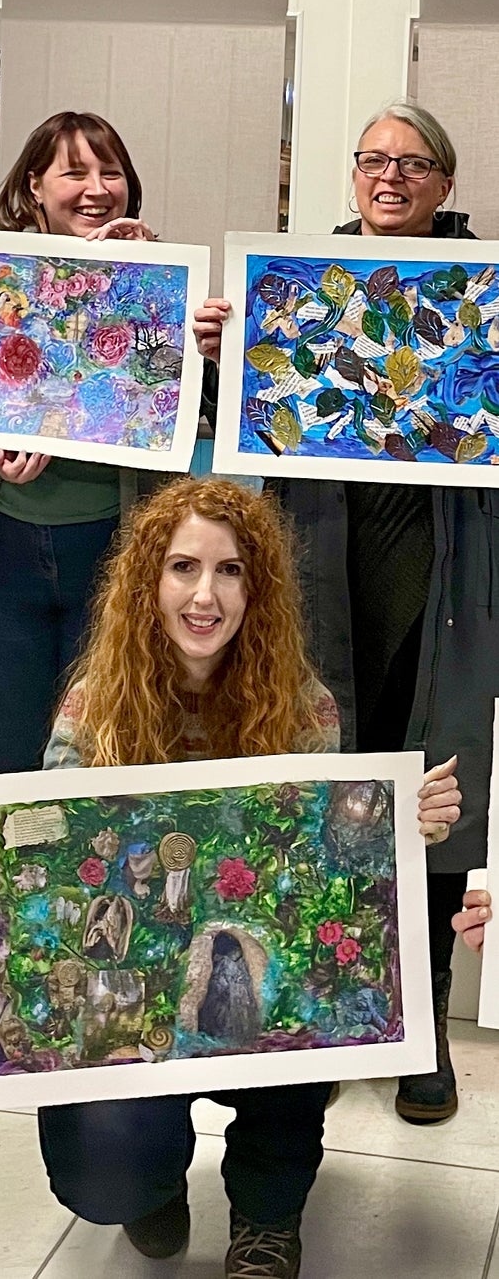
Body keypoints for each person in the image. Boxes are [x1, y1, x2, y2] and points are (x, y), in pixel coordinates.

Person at [0, 477, 460, 1279]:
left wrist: (398, 829)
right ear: (148, 581)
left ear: (257, 588)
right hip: (135, 985)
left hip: (251, 974)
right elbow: (54, 854)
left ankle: (266, 1214)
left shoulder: (303, 707)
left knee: (304, 1005)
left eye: (229, 570)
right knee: (102, 1172)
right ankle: (149, 1181)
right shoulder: (94, 703)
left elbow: (326, 873)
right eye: (182, 568)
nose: (204, 594)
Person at [193, 100, 489, 1125]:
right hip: (321, 573)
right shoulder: (299, 285)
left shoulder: (481, 288)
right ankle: (328, 1010)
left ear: (444, 183)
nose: (389, 176)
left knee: (433, 799)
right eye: (372, 160)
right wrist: (224, 355)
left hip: (439, 581)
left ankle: (422, 1026)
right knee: (321, 795)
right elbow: (237, 428)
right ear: (352, 176)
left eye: (412, 163)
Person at [0, 111, 159, 775]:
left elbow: (182, 408)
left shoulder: (157, 278)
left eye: (110, 172)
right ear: (34, 188)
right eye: (74, 172)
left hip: (116, 554)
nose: (96, 188)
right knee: (5, 770)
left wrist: (149, 285)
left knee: (106, 767)